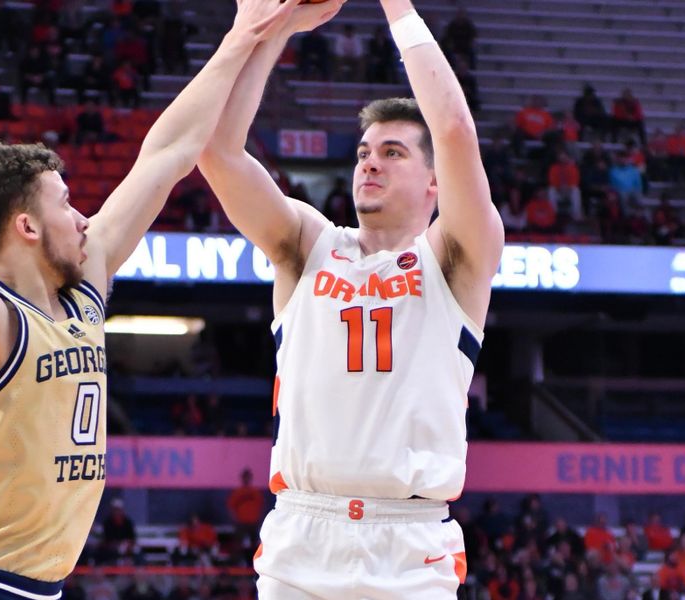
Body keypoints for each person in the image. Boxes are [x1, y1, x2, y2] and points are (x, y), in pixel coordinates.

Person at [0, 2, 307, 598]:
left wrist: (248, 31)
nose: (84, 218)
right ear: (27, 228)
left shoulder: (85, 287)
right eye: (65, 203)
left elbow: (167, 154)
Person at [197, 0, 503, 596]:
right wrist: (270, 28)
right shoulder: (306, 242)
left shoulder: (456, 257)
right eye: (365, 152)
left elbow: (456, 131)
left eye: (393, 153)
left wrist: (397, 6)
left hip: (409, 542)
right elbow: (218, 153)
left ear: (434, 180)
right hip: (303, 531)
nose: (370, 164)